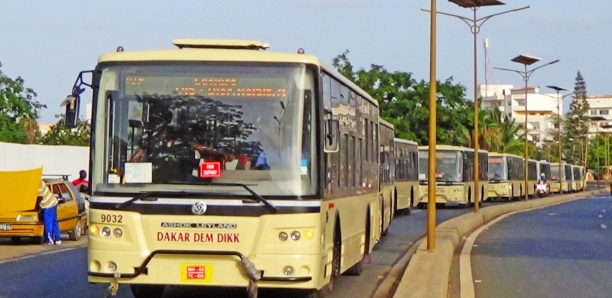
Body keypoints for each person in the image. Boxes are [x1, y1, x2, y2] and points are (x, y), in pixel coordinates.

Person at [38, 180, 60, 245]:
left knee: (48, 222)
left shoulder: (36, 183)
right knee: (54, 221)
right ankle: (57, 239)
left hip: (48, 204)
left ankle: (49, 240)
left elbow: (39, 197)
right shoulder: (40, 181)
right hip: (53, 201)